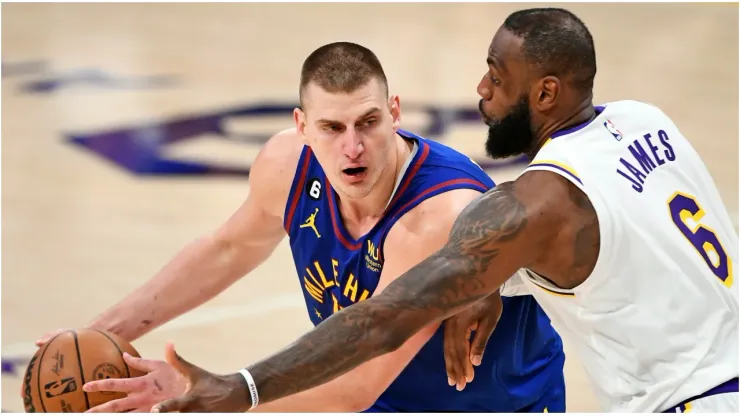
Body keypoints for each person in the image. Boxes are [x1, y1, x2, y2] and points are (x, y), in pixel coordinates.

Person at [147, 7, 740, 414]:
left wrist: (243, 389)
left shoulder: (531, 206)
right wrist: (493, 279)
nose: (481, 89)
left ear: (546, 93)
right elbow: (608, 239)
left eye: (497, 76)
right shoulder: (643, 120)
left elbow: (383, 319)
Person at [33, 42, 567, 413]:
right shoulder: (287, 163)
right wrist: (104, 334)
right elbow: (228, 248)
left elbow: (355, 384)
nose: (352, 147)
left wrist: (213, 392)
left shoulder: (439, 216)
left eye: (368, 123)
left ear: (396, 113)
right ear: (301, 126)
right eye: (332, 128)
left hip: (492, 404)